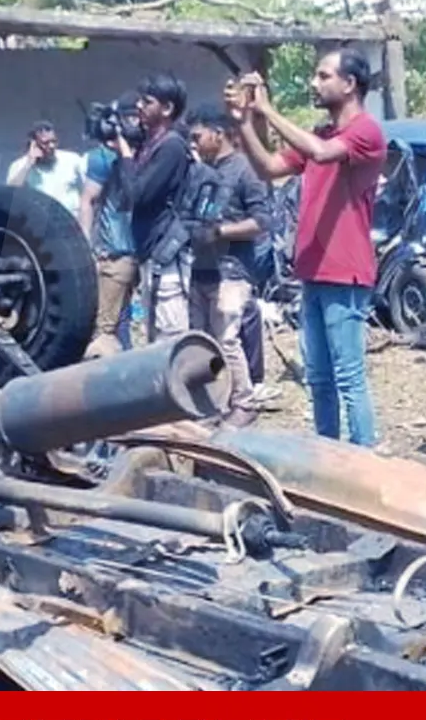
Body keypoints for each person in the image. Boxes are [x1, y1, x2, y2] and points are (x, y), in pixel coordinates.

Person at [229, 50, 387, 449]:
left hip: (345, 270)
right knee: (318, 375)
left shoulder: (364, 132)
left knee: (348, 375)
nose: (313, 84)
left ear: (349, 84)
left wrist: (268, 109)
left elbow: (319, 153)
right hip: (313, 270)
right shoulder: (324, 134)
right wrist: (245, 122)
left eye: (322, 76)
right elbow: (268, 167)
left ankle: (363, 458)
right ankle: (327, 455)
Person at [187, 108, 274, 426]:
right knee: (201, 339)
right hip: (200, 268)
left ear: (217, 133)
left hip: (232, 271)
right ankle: (213, 402)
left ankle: (245, 402)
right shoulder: (202, 172)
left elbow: (263, 222)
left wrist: (221, 231)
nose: (194, 144)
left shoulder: (244, 171)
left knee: (226, 339)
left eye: (198, 137)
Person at [113, 73, 193, 342]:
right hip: (151, 253)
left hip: (167, 256)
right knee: (153, 335)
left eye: (147, 102)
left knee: (171, 337)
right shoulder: (151, 146)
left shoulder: (171, 147)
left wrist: (125, 154)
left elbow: (138, 194)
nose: (139, 107)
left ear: (167, 108)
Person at [78, 94, 141, 355]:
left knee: (115, 322)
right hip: (116, 251)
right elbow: (88, 201)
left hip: (146, 250)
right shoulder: (104, 157)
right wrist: (85, 248)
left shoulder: (154, 150)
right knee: (109, 323)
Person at [5, 121, 86, 216]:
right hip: (40, 222)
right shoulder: (19, 165)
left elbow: (87, 192)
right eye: (45, 143)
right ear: (33, 144)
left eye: (54, 141)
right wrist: (29, 164)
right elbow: (11, 193)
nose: (51, 146)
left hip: (70, 220)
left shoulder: (72, 160)